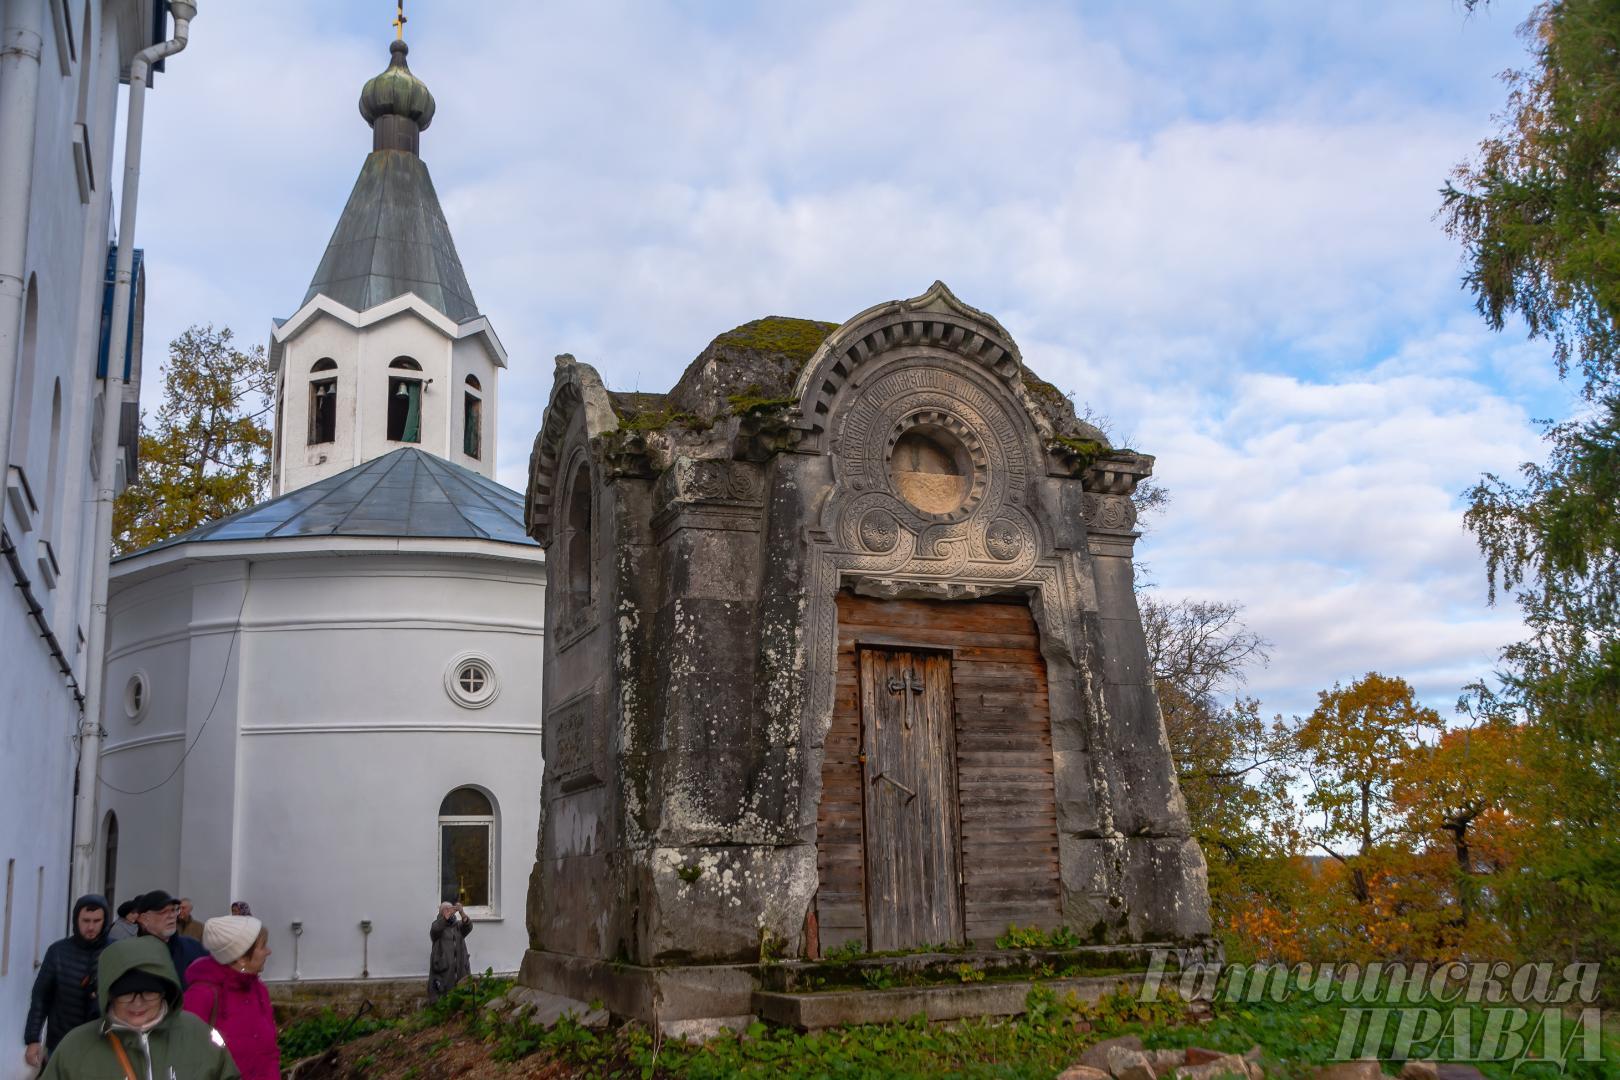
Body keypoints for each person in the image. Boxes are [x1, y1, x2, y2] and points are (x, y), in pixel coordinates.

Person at [40, 936, 239, 1079]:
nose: (138, 1003)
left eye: (149, 993)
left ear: (165, 992)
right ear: (110, 995)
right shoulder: (77, 1047)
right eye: (126, 994)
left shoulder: (198, 1034)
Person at [182, 916, 279, 1080]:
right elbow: (186, 1057)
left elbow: (269, 1052)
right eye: (262, 946)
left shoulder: (259, 990)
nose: (268, 951)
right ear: (241, 957)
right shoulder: (201, 996)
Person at [23, 895, 108, 1069]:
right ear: (76, 919)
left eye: (96, 921)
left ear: (105, 921)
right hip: (62, 1042)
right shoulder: (58, 952)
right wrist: (33, 1039)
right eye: (85, 920)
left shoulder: (116, 952)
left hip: (104, 1043)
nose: (90, 927)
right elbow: (40, 997)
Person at [133, 890, 208, 991]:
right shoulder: (132, 954)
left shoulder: (193, 946)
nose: (172, 916)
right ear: (144, 919)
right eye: (163, 911)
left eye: (174, 910)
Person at [427, 901, 473, 1002]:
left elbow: (468, 927)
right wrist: (444, 919)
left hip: (460, 970)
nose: (450, 912)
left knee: (461, 998)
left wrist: (461, 912)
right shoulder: (437, 926)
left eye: (451, 909)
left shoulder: (457, 926)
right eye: (446, 910)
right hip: (443, 971)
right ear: (441, 912)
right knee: (441, 998)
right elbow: (435, 930)